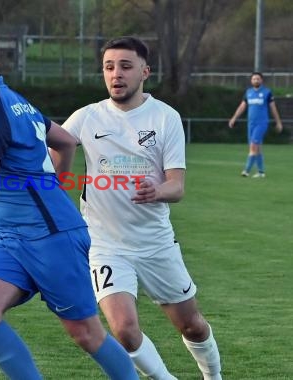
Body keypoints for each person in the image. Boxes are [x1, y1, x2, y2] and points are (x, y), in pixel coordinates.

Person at [0, 26, 138, 380]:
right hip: (14, 240)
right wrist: (54, 188)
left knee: (86, 334)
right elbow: (66, 142)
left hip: (52, 239)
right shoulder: (15, 102)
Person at [61, 37, 222, 380]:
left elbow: (177, 187)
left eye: (125, 66)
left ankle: (214, 377)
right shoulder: (87, 117)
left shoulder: (165, 118)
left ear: (144, 72)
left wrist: (157, 190)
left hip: (155, 243)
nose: (115, 74)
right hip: (105, 245)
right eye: (108, 67)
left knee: (192, 326)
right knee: (124, 330)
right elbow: (54, 146)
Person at [228, 72, 283, 178]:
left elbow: (273, 108)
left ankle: (246, 171)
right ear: (251, 81)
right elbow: (242, 106)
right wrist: (234, 118)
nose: (256, 81)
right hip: (251, 124)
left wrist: (278, 122)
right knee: (257, 148)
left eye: (258, 79)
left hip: (261, 124)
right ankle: (261, 172)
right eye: (254, 79)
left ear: (261, 80)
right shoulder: (248, 92)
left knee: (253, 146)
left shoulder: (267, 92)